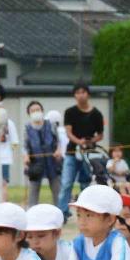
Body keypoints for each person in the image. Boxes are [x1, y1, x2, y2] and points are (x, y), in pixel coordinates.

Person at [57, 83, 107, 214]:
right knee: (66, 183)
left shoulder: (96, 113)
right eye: (77, 92)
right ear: (74, 95)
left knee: (85, 183)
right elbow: (68, 132)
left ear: (88, 94)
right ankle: (63, 212)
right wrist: (79, 142)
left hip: (89, 153)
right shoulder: (70, 112)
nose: (80, 95)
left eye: (83, 92)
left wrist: (90, 141)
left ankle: (86, 210)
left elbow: (101, 135)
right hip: (72, 152)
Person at [17, 100, 59, 207]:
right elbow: (25, 146)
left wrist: (58, 150)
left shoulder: (51, 125)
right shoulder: (27, 128)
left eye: (38, 110)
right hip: (35, 163)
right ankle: (31, 214)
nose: (36, 112)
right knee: (33, 191)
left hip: (52, 161)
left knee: (57, 189)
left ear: (42, 111)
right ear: (29, 113)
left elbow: (59, 141)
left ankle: (61, 212)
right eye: (33, 110)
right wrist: (25, 156)